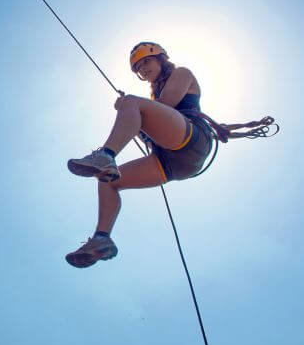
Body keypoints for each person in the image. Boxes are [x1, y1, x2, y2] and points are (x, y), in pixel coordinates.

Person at [65, 42, 213, 268]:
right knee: (107, 181)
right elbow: (152, 123)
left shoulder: (182, 73)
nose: (143, 69)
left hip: (192, 140)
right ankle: (101, 240)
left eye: (147, 61)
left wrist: (131, 108)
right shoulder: (154, 96)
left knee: (132, 101)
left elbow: (168, 106)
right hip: (172, 161)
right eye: (138, 68)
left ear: (161, 59)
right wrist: (133, 113)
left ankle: (106, 154)